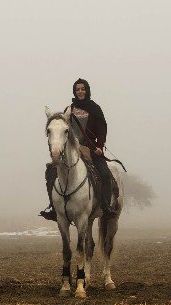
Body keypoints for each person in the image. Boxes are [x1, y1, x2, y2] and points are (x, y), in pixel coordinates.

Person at [39, 78, 118, 221]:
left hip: (91, 149)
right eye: (77, 89)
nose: (80, 91)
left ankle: (106, 206)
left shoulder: (95, 109)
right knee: (50, 172)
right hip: (72, 150)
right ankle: (53, 206)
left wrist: (99, 146)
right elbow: (62, 131)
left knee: (105, 174)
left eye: (83, 89)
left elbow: (101, 130)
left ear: (87, 90)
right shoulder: (69, 110)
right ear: (74, 92)